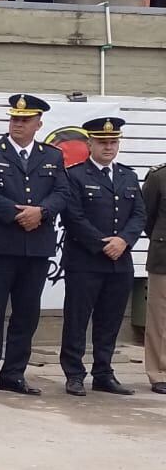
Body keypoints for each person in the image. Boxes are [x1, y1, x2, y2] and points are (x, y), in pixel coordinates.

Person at [0, 94, 70, 395]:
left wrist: (42, 212)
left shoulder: (52, 156)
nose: (18, 124)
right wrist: (18, 215)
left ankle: (14, 373)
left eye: (25, 120)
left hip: (35, 246)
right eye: (14, 118)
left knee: (26, 313)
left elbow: (62, 193)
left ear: (39, 124)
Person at [59, 118, 146, 396]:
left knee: (110, 320)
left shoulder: (128, 176)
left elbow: (139, 215)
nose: (108, 147)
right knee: (77, 320)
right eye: (102, 142)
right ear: (90, 144)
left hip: (120, 261)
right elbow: (73, 217)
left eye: (113, 142)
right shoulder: (75, 175)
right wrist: (102, 244)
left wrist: (124, 240)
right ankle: (74, 374)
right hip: (85, 261)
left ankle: (103, 372)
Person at [145, 159, 166, 394]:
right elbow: (147, 218)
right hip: (164, 256)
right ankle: (159, 372)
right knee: (160, 318)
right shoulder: (159, 176)